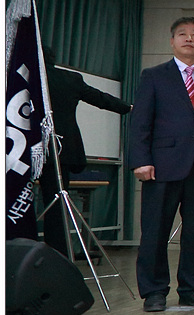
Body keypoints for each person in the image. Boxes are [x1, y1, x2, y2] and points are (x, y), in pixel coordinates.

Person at [128, 17, 194, 312]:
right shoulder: (154, 75)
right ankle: (154, 291)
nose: (189, 38)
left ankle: (192, 288)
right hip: (161, 166)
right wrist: (141, 160)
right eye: (182, 34)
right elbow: (140, 122)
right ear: (172, 41)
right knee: (155, 231)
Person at [40, 46, 132, 258]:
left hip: (24, 150)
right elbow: (100, 98)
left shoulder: (22, 78)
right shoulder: (70, 79)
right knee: (57, 207)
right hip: (61, 151)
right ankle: (58, 256)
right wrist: (128, 107)